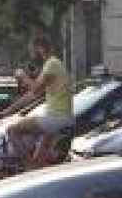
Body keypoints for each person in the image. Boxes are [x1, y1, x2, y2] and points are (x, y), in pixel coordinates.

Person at [5, 32, 72, 165]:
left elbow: (35, 89)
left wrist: (23, 76)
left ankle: (28, 168)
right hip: (58, 118)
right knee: (39, 159)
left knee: (12, 131)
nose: (32, 54)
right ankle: (37, 165)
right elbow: (32, 95)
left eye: (32, 50)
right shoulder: (53, 65)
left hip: (55, 118)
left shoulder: (51, 64)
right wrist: (7, 111)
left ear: (39, 48)